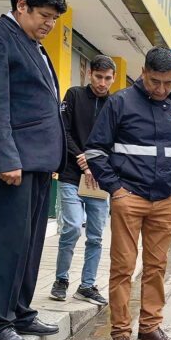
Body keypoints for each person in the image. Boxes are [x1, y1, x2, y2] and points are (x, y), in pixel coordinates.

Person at [0, 0, 67, 340]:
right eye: (44, 15)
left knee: (29, 243)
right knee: (7, 243)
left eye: (55, 18)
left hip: (39, 163)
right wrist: (7, 158)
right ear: (21, 6)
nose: (49, 24)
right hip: (12, 163)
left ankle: (20, 310)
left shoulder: (34, 45)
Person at [85, 46, 171, 340]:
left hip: (164, 200)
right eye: (156, 81)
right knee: (123, 268)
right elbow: (95, 151)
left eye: (169, 83)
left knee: (156, 267)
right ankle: (120, 334)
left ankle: (150, 327)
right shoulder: (120, 102)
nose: (162, 89)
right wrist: (115, 189)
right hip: (128, 197)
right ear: (144, 72)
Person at [49, 55, 115, 305]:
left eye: (107, 78)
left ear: (113, 78)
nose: (102, 82)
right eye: (98, 77)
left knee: (96, 236)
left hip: (99, 180)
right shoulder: (74, 95)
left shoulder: (115, 104)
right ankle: (61, 279)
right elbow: (62, 130)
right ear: (89, 74)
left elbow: (115, 142)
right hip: (70, 175)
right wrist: (80, 156)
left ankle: (87, 285)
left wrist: (97, 164)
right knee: (73, 227)